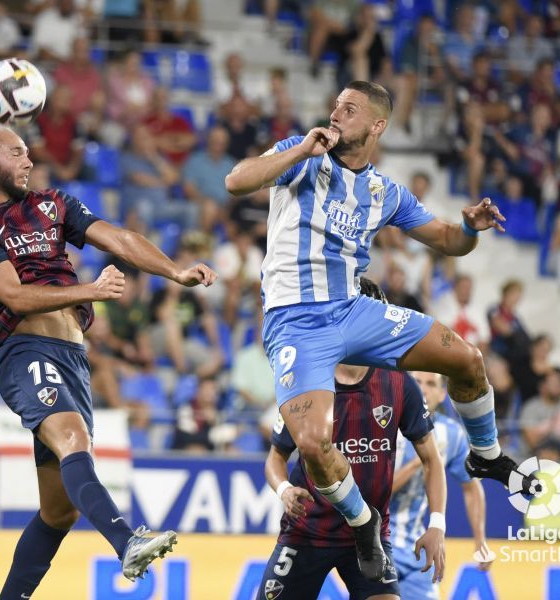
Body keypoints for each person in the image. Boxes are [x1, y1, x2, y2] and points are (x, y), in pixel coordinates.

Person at [224, 80, 533, 581]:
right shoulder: (299, 156)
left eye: (350, 109)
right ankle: (364, 523)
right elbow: (236, 182)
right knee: (311, 443)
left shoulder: (383, 192)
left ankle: (486, 457)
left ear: (376, 125)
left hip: (353, 310)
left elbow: (449, 240)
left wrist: (472, 228)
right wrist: (302, 146)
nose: (336, 113)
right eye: (336, 106)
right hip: (297, 322)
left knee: (468, 360)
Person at [0, 128, 217, 598]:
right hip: (27, 351)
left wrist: (175, 270)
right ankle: (126, 542)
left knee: (59, 512)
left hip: (75, 358)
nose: (29, 162)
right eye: (17, 153)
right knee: (73, 438)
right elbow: (13, 295)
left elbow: (117, 238)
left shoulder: (52, 204)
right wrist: (91, 290)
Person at [260, 278, 446, 600]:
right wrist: (285, 489)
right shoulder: (306, 384)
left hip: (370, 539)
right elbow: (276, 457)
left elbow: (432, 459)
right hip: (309, 532)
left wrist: (437, 525)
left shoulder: (401, 384)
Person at [391, 371, 492, 600]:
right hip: (379, 546)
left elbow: (472, 486)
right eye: (416, 382)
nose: (423, 389)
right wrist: (425, 460)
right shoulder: (385, 426)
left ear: (441, 392)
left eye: (430, 383)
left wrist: (480, 541)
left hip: (417, 549)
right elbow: (374, 494)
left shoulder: (451, 433)